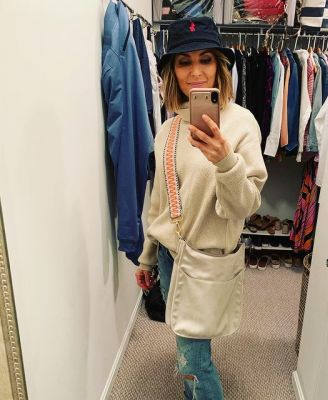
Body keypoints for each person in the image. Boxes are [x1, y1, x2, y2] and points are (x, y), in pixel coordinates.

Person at [135, 16, 268, 400]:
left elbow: (245, 205)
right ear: (171, 72)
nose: (195, 71)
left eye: (205, 59)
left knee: (194, 361)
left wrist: (226, 161)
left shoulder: (241, 124)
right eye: (184, 62)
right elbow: (160, 201)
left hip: (208, 260)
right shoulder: (168, 129)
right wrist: (147, 257)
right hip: (169, 256)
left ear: (219, 66)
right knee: (187, 348)